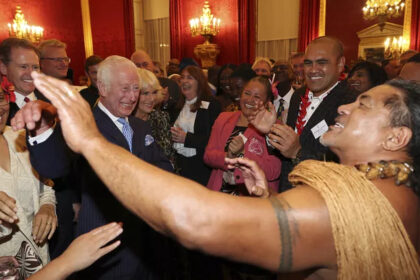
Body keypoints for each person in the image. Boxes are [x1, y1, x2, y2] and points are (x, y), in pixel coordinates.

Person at [17, 69, 420, 279]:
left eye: (364, 104)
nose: (346, 108)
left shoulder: (345, 203)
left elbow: (195, 220)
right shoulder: (391, 189)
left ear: (397, 136)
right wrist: (269, 204)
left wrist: (91, 141)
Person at [21, 56, 173, 280]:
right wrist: (41, 132)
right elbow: (52, 166)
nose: (132, 97)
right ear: (102, 87)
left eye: (136, 89)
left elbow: (164, 168)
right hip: (107, 251)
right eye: (125, 89)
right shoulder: (83, 125)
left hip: (148, 246)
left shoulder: (140, 126)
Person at [259, 36, 356, 191]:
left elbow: (343, 167)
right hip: (288, 192)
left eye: (322, 63)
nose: (313, 70)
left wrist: (298, 153)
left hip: (322, 199)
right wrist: (271, 131)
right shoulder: (299, 95)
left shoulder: (351, 103)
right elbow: (285, 153)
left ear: (340, 64)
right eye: (308, 63)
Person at [0, 88, 56, 278]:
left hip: (39, 257)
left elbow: (45, 184)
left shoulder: (19, 137)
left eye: (0, 98)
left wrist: (47, 206)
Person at [205, 76, 281, 195]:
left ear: (267, 103)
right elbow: (208, 156)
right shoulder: (223, 118)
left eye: (257, 97)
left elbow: (274, 170)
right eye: (247, 93)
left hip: (252, 199)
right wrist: (229, 155)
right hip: (219, 196)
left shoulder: (274, 127)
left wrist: (243, 154)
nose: (250, 100)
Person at [171, 65, 221, 185]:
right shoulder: (177, 106)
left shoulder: (212, 105)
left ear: (200, 82)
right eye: (182, 77)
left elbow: (215, 139)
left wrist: (187, 138)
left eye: (190, 77)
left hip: (201, 168)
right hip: (180, 165)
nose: (184, 81)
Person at [133, 68, 177, 170]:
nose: (152, 98)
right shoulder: (124, 121)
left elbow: (169, 156)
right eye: (145, 93)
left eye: (154, 92)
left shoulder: (161, 117)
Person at [131, 50, 181, 124]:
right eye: (137, 65)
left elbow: (177, 113)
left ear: (152, 65)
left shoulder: (170, 84)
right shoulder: (125, 116)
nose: (142, 68)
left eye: (145, 64)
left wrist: (165, 102)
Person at [0, 38, 41, 124]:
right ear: (3, 68)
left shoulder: (55, 102)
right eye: (23, 66)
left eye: (35, 67)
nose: (31, 74)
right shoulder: (2, 107)